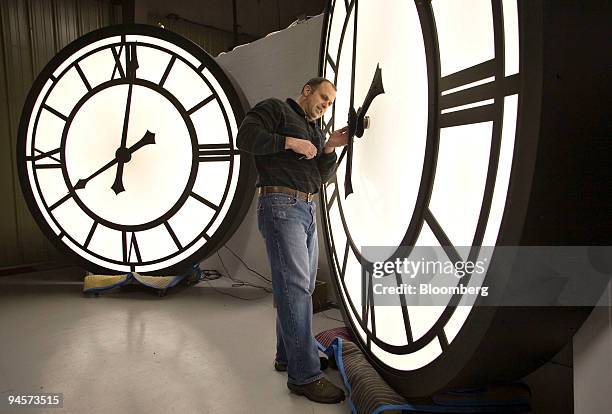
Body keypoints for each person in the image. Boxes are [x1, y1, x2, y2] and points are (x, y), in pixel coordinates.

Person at [236, 77, 348, 404]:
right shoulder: (275, 109)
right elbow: (245, 137)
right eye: (323, 98)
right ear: (307, 90)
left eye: (330, 103)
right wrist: (290, 143)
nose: (325, 105)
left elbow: (319, 178)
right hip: (281, 205)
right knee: (297, 288)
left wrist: (328, 148)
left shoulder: (315, 131)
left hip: (307, 207)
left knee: (302, 288)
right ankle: (304, 376)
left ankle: (288, 357)